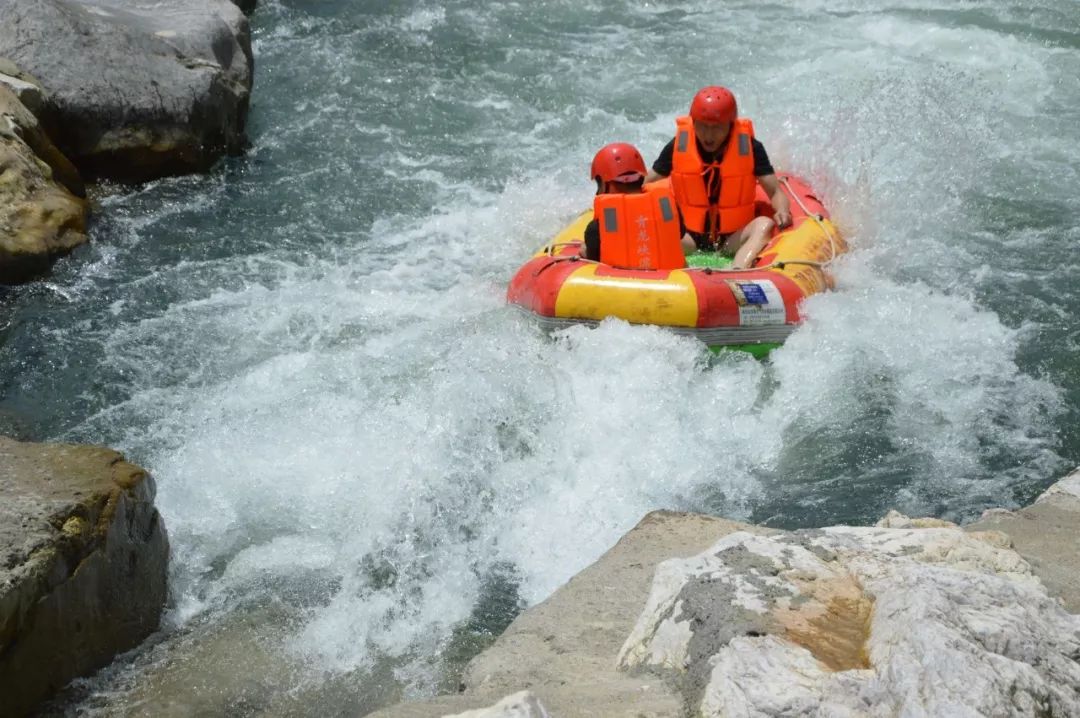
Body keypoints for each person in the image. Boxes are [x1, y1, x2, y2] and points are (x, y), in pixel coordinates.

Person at [645, 86, 792, 269]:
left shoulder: (751, 148)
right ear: (694, 122)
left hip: (732, 238)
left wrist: (783, 211)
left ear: (730, 125)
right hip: (689, 238)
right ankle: (675, 274)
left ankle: (738, 272)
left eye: (717, 128)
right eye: (703, 126)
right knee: (650, 229)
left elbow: (775, 191)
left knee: (765, 225)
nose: (709, 135)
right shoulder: (678, 146)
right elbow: (648, 182)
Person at [582, 142, 693, 269]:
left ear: (604, 185)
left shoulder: (597, 229)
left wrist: (585, 250)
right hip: (675, 284)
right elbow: (679, 235)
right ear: (641, 178)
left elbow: (594, 263)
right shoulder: (667, 206)